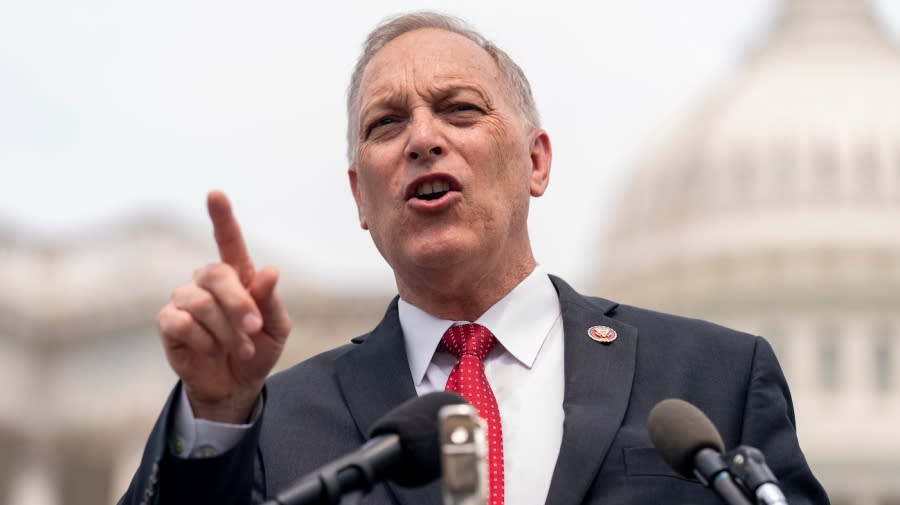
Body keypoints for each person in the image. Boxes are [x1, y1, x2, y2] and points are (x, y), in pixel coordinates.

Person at [119, 11, 829, 505]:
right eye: (386, 123)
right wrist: (215, 412)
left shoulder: (713, 383)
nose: (422, 139)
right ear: (359, 197)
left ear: (535, 161)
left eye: (459, 110)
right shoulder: (270, 426)